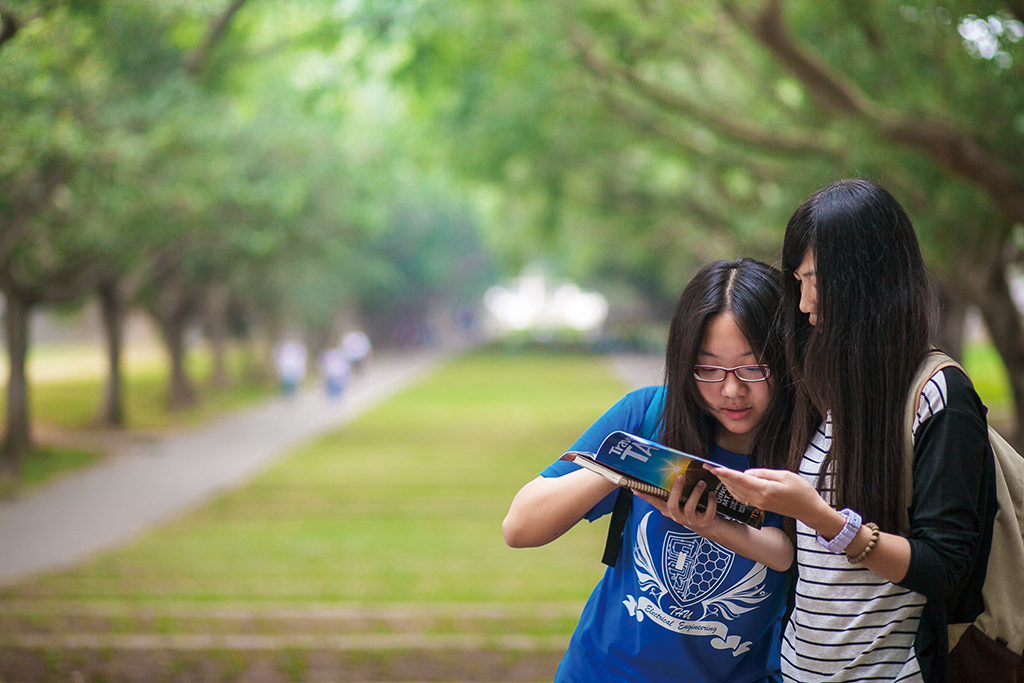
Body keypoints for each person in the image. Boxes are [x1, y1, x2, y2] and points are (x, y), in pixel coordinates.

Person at [710, 179, 997, 683]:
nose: (802, 303)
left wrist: (824, 519)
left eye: (815, 280)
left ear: (869, 278)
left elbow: (945, 568)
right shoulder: (827, 389)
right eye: (797, 281)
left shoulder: (939, 395)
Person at [502, 258, 796, 683]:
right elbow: (520, 527)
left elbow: (787, 553)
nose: (732, 390)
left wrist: (713, 525)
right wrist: (629, 464)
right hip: (603, 672)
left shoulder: (810, 446)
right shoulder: (648, 414)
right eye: (708, 368)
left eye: (753, 368)